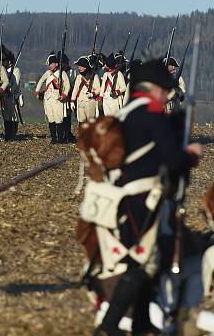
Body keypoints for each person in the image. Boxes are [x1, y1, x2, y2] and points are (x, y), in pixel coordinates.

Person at [79, 60, 202, 334]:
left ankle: (142, 323)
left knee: (149, 264)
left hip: (127, 197)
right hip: (141, 199)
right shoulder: (151, 114)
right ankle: (110, 325)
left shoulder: (128, 113)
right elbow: (171, 160)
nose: (167, 94)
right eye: (164, 89)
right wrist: (191, 154)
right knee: (141, 263)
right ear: (154, 88)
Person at [35, 52, 70, 144]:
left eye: (51, 64)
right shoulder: (47, 73)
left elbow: (67, 85)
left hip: (58, 99)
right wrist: (37, 91)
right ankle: (54, 138)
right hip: (48, 98)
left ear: (56, 64)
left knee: (59, 119)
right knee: (51, 119)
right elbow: (41, 81)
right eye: (49, 64)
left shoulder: (62, 73)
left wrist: (64, 95)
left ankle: (60, 139)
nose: (49, 66)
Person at [71, 56, 100, 124]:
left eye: (81, 66)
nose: (79, 68)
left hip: (90, 102)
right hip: (80, 102)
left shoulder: (94, 76)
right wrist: (72, 101)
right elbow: (75, 89)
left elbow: (99, 89)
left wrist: (92, 94)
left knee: (91, 123)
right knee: (81, 122)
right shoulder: (78, 77)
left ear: (85, 67)